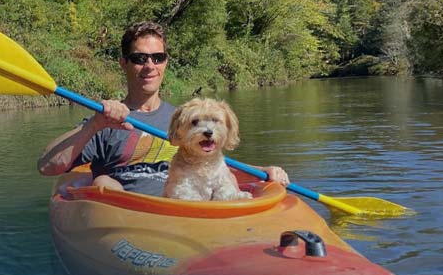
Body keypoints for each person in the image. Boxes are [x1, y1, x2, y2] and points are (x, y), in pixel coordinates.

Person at [38, 20, 289, 196]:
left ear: (165, 62)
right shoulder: (105, 119)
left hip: (184, 206)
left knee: (229, 181)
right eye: (139, 59)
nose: (150, 66)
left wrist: (263, 172)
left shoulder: (185, 120)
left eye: (158, 58)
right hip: (131, 215)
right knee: (103, 181)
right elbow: (47, 167)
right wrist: (95, 125)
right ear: (123, 63)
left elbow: (217, 165)